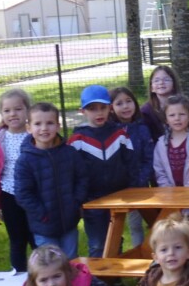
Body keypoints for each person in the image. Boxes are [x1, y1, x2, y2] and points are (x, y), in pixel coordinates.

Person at [68, 85, 138, 258]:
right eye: (92, 109)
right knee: (98, 244)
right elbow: (72, 173)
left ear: (110, 108)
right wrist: (79, 199)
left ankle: (116, 274)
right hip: (92, 200)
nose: (99, 113)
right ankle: (97, 275)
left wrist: (131, 190)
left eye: (103, 107)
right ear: (82, 111)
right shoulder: (77, 140)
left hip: (118, 198)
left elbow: (131, 164)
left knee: (115, 240)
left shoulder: (120, 135)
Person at [14, 102, 89, 261]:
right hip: (44, 226)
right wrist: (42, 214)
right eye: (38, 124)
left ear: (58, 126)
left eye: (49, 123)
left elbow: (82, 178)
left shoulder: (70, 153)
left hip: (69, 222)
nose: (44, 128)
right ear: (29, 128)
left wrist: (75, 202)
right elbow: (23, 193)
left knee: (71, 261)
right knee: (50, 263)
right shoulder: (25, 160)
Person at [0, 88, 35, 272]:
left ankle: (43, 276)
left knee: (37, 239)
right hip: (9, 196)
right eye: (7, 110)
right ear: (1, 114)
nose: (13, 114)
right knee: (17, 240)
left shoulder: (35, 136)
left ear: (28, 110)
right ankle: (18, 275)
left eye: (18, 109)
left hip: (34, 196)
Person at [111, 86, 155, 248]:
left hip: (139, 186)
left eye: (128, 101)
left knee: (136, 223)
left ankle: (140, 255)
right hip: (116, 188)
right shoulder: (110, 131)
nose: (125, 106)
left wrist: (141, 179)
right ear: (111, 108)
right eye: (119, 103)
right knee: (114, 226)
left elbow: (149, 157)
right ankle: (115, 252)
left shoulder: (142, 128)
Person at [153, 95, 189, 190]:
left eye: (182, 114)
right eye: (172, 115)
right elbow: (159, 170)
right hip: (169, 193)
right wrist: (167, 189)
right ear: (166, 119)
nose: (177, 118)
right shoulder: (161, 143)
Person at [141, 65, 184, 142]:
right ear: (151, 88)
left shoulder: (183, 104)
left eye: (166, 79)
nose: (161, 83)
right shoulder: (145, 111)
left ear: (174, 85)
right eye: (156, 80)